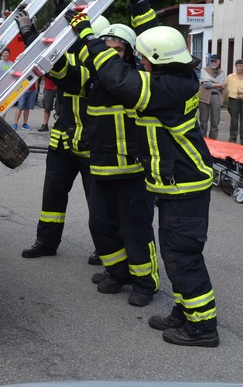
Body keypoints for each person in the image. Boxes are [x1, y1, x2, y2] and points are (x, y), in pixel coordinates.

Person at [71, 4, 219, 346]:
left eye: (143, 58)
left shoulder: (167, 89)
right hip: (175, 186)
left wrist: (88, 37)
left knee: (183, 255)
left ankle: (202, 328)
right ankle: (185, 312)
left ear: (156, 59)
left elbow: (118, 78)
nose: (140, 62)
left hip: (185, 186)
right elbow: (146, 47)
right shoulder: (174, 78)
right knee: (174, 253)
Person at [75, 20, 159, 308]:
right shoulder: (94, 79)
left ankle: (145, 283)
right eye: (107, 49)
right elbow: (64, 71)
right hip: (100, 166)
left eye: (118, 50)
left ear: (130, 54)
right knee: (100, 225)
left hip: (132, 170)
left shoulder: (135, 80)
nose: (111, 55)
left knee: (135, 230)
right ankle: (117, 272)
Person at [21, 15, 108, 265]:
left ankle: (105, 248)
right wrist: (33, 33)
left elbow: (61, 72)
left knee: (99, 202)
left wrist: (28, 36)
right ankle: (47, 241)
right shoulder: (73, 54)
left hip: (92, 144)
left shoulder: (100, 66)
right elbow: (50, 56)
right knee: (52, 198)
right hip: (63, 141)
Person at [197, 54, 226, 138]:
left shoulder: (222, 72)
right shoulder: (204, 70)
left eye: (215, 61)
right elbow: (206, 84)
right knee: (203, 121)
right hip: (204, 97)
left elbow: (222, 85)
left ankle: (213, 140)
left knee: (215, 121)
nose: (213, 63)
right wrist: (218, 84)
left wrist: (214, 83)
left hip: (216, 96)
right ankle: (203, 139)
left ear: (219, 62)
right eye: (212, 61)